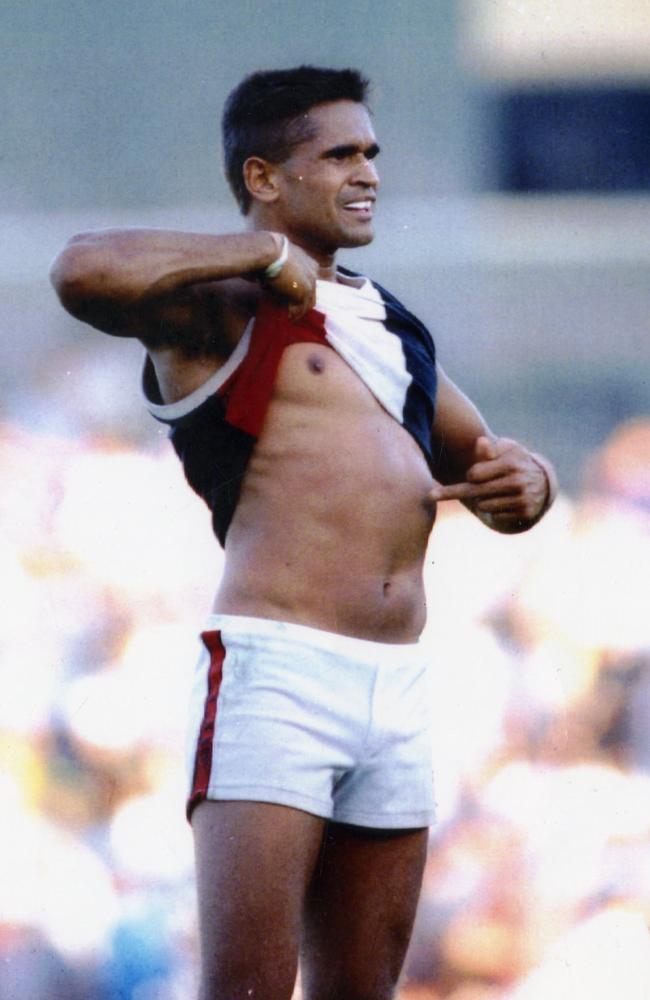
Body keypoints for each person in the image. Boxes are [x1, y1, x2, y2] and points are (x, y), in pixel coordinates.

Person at [50, 66, 557, 1000]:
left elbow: (491, 461)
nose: (366, 172)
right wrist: (256, 259)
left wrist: (533, 481)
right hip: (278, 670)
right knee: (248, 989)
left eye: (371, 153)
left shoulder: (385, 321)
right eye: (338, 155)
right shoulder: (220, 308)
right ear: (264, 179)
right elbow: (80, 268)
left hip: (400, 681)